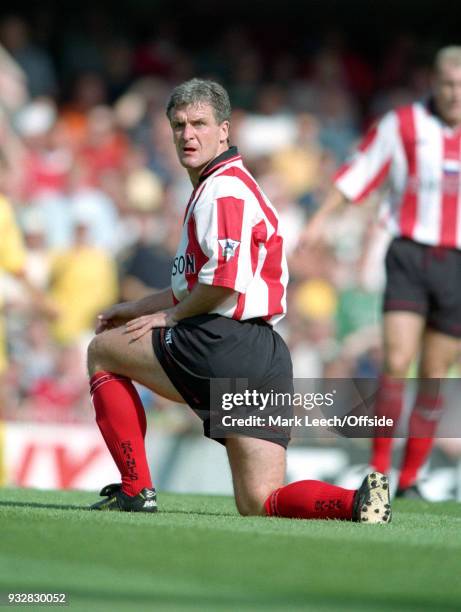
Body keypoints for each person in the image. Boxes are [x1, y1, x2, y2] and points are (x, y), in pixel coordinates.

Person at [87, 78, 391, 522]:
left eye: (199, 124)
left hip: (218, 341)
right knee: (260, 501)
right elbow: (201, 281)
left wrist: (169, 317)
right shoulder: (225, 185)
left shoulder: (223, 188)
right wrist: (136, 308)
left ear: (224, 130)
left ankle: (135, 490)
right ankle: (356, 502)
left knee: (101, 351)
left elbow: (224, 282)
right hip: (265, 352)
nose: (187, 135)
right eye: (178, 125)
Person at [299, 46, 461, 498]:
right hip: (408, 254)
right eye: (448, 84)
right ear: (434, 82)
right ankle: (378, 470)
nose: (454, 93)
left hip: (456, 264)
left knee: (434, 373)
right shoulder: (403, 124)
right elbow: (358, 171)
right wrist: (318, 219)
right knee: (395, 361)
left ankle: (410, 478)